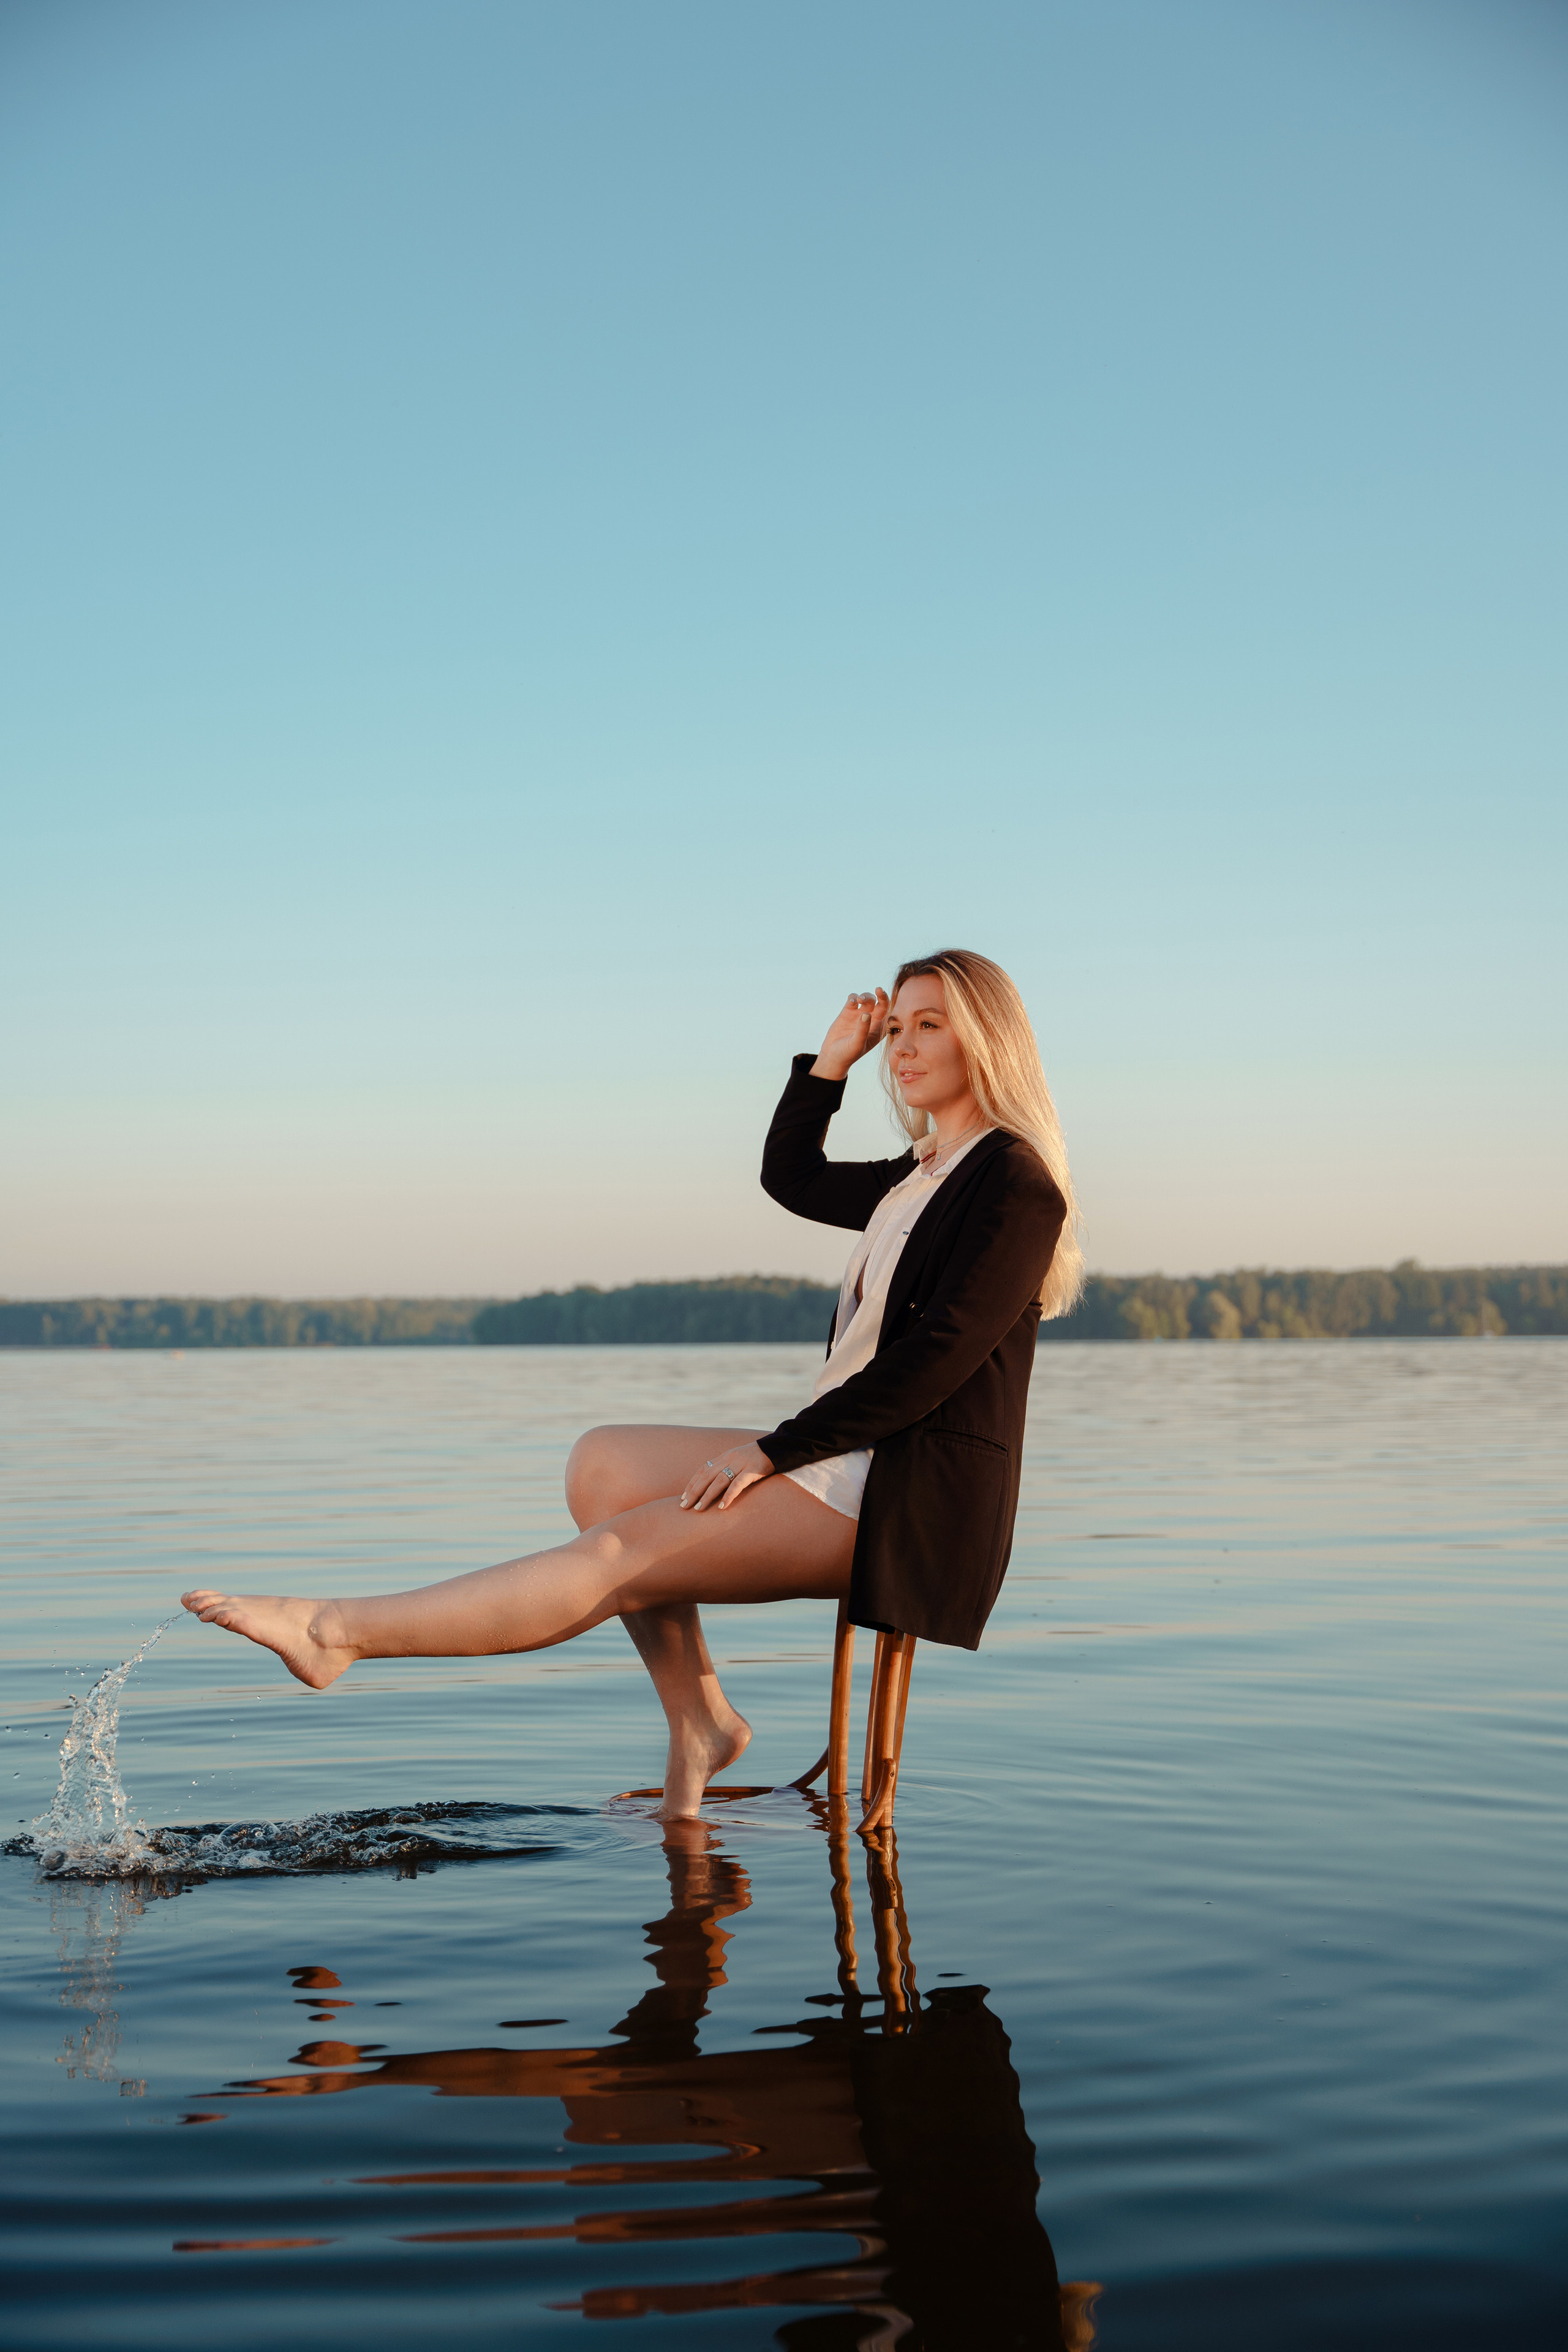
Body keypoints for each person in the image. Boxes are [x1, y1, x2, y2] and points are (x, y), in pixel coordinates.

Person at [182, 948, 1083, 1818]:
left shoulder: (1014, 1183)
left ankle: (335, 1631)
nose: (907, 1046)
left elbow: (937, 1360)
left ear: (988, 1042)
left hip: (906, 1497)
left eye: (932, 1025)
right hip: (845, 1457)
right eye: (900, 1028)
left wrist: (771, 1452)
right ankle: (702, 1721)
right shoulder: (921, 1175)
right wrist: (830, 1064)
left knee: (619, 1558)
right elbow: (791, 1177)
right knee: (602, 1465)